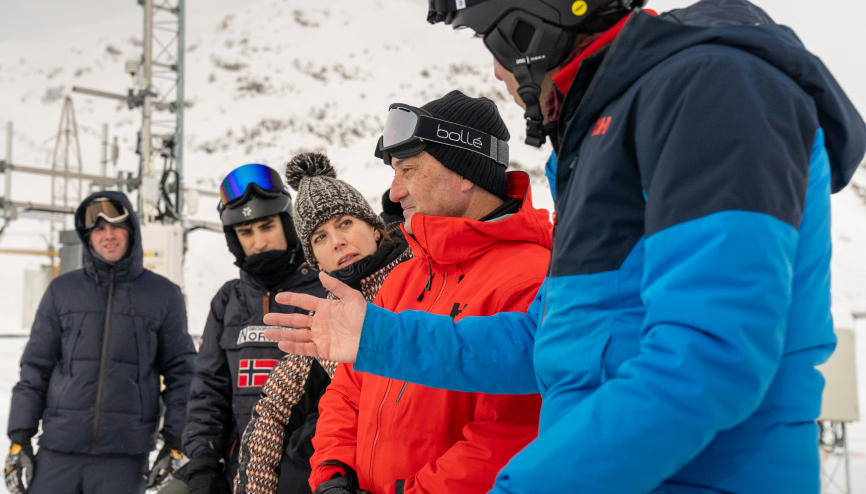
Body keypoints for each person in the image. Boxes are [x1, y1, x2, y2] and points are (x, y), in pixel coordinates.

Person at [264, 1, 866, 493]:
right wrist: (375, 338)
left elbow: (710, 358)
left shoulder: (714, 86)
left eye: (491, 41)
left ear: (532, 20)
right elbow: (548, 343)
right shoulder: (599, 136)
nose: (498, 73)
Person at [269, 90, 551, 494]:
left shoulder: (530, 278)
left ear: (465, 171)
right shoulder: (406, 277)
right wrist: (334, 476)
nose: (395, 192)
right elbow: (347, 394)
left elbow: (509, 436)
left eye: (410, 171)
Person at [234, 152, 413, 494]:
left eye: (345, 223)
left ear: (374, 227)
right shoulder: (326, 320)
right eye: (320, 238)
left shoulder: (422, 277)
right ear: (315, 259)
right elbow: (271, 413)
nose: (337, 242)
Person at [5, 191, 195, 494]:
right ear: (87, 236)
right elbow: (35, 368)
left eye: (117, 226)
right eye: (98, 229)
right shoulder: (62, 291)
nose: (109, 235)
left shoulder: (163, 295)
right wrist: (19, 439)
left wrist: (175, 442)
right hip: (59, 450)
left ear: (131, 230)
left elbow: (182, 374)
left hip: (124, 456)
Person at [164, 164, 329, 494]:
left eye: (267, 226)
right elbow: (209, 391)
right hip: (241, 473)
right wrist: (203, 459)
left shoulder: (326, 289)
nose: (259, 242)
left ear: (287, 224)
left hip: (313, 470)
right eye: (245, 232)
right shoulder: (229, 301)